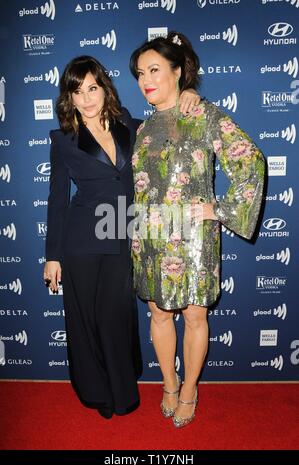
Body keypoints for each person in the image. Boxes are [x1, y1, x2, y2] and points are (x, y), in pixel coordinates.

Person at [43, 55, 200, 419]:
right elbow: (57, 200)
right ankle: (97, 393)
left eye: (93, 88)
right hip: (81, 241)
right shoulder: (63, 140)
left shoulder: (128, 123)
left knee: (114, 316)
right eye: (77, 91)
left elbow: (169, 121)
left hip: (121, 234)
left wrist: (189, 92)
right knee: (86, 320)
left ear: (104, 89)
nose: (87, 98)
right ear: (69, 97)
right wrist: (53, 255)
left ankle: (122, 391)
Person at [129, 32, 265, 427]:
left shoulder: (204, 115)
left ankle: (190, 388)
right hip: (151, 236)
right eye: (140, 73)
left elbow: (250, 161)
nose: (146, 79)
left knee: (193, 315)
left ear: (178, 71)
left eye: (155, 69)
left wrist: (217, 209)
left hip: (192, 239)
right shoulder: (142, 129)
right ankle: (168, 383)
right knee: (157, 313)